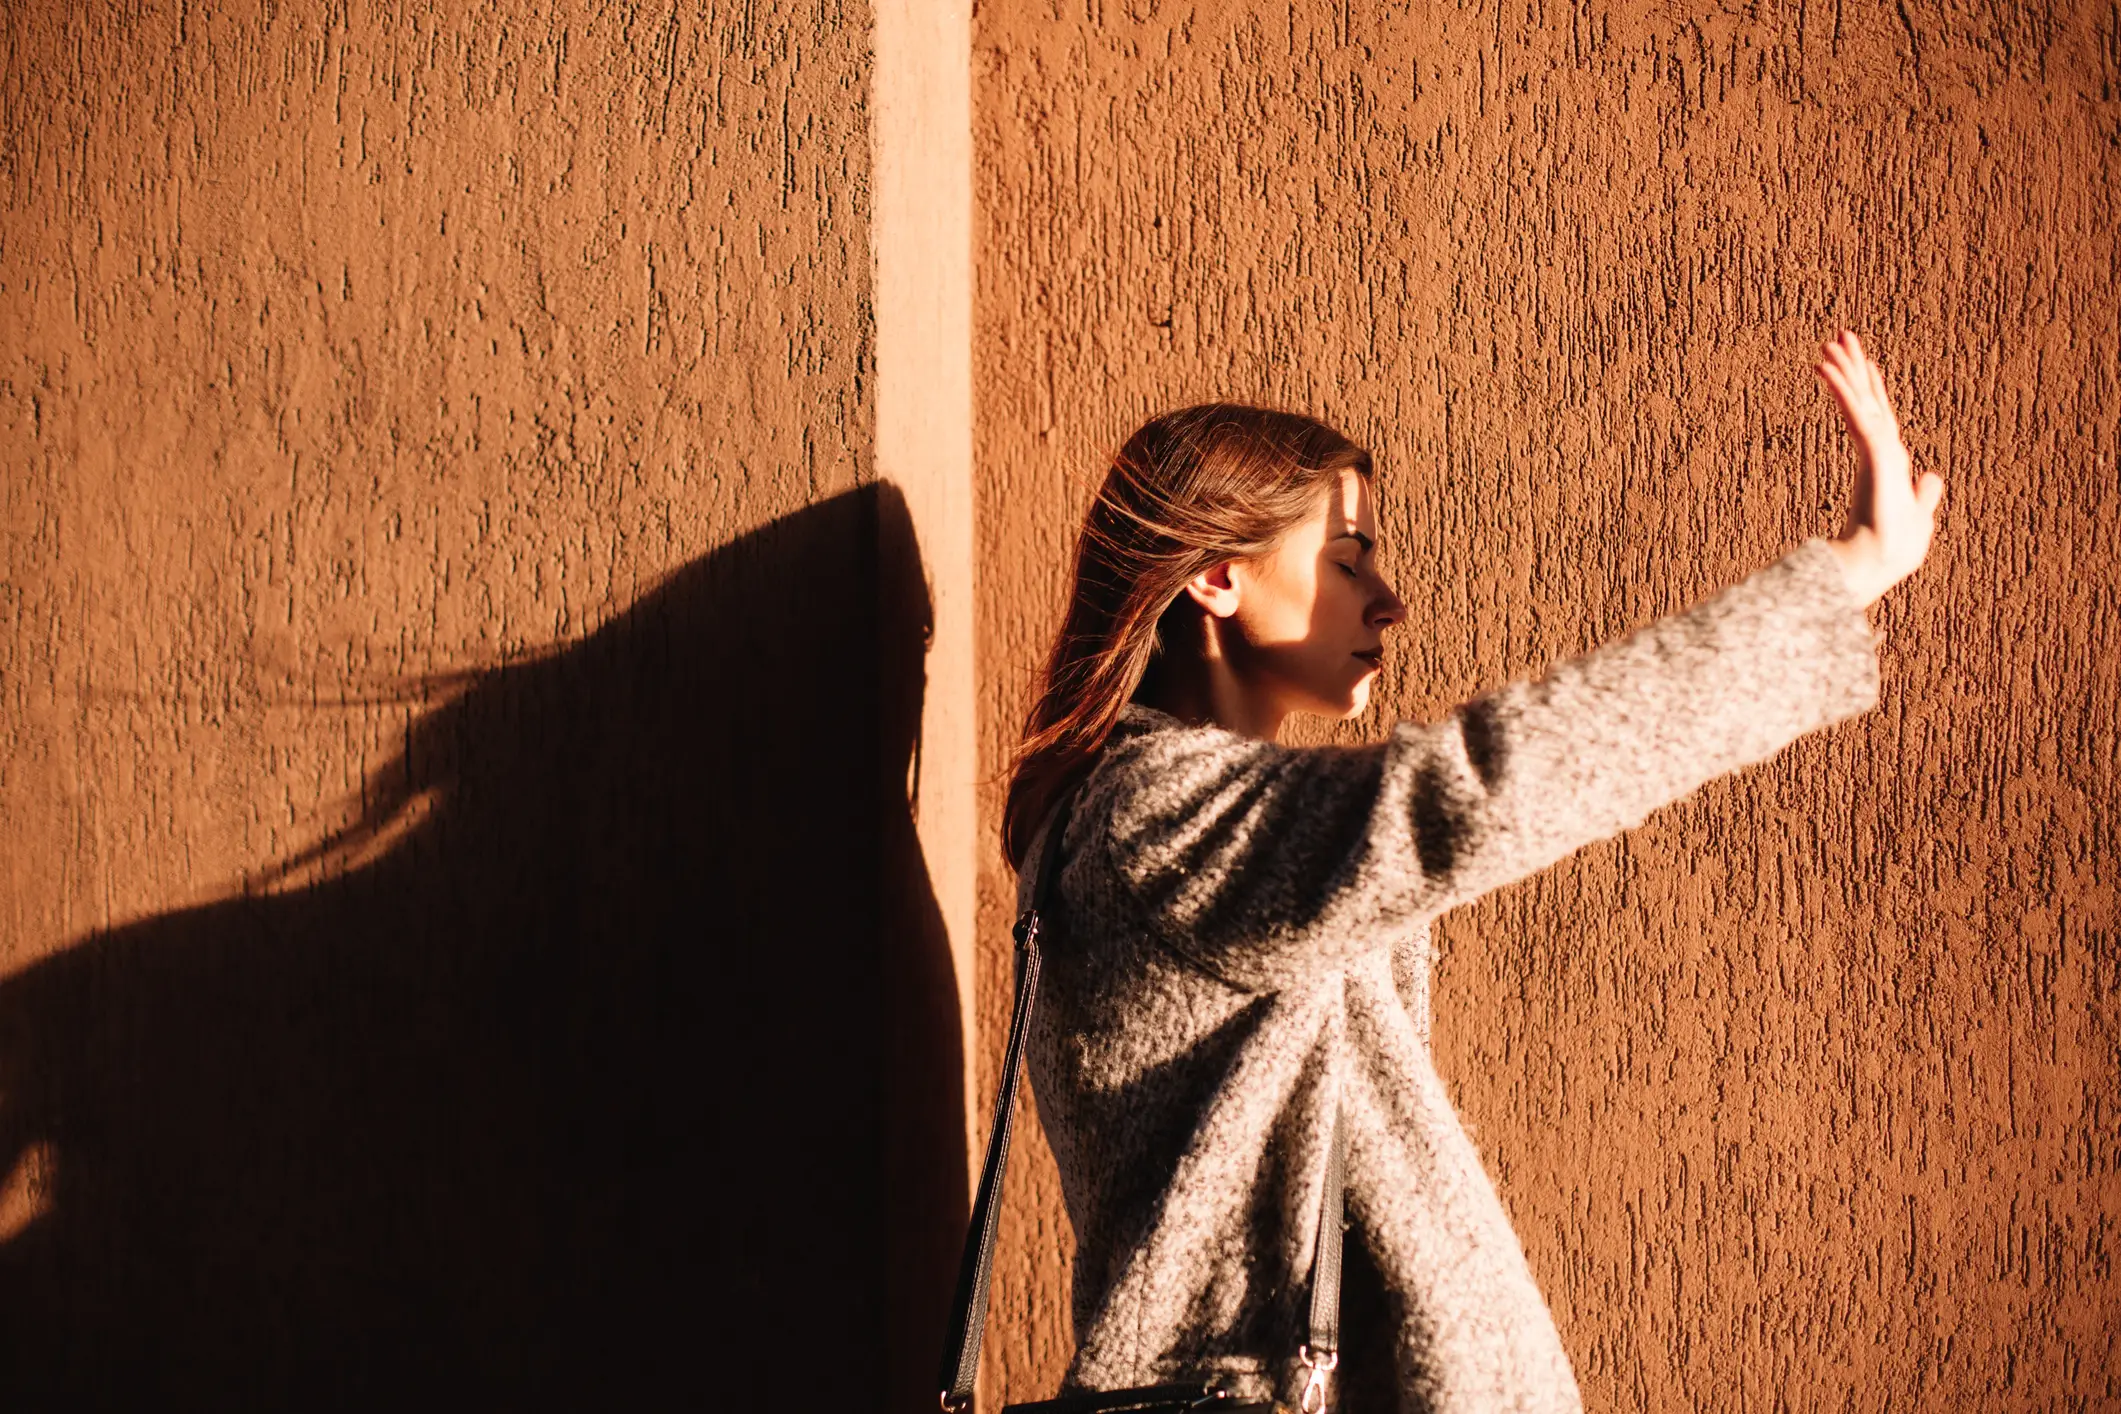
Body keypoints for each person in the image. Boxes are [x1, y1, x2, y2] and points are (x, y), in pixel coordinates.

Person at [998, 331, 1943, 1413]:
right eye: (1347, 560)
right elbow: (1475, 791)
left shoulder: (1187, 820)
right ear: (1216, 576)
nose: (1387, 598)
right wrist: (1845, 574)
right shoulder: (1155, 818)